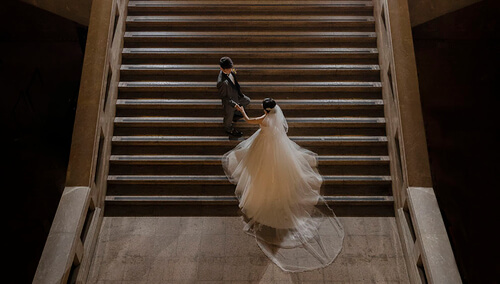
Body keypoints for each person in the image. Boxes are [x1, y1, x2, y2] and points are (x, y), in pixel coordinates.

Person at [222, 98, 344, 272]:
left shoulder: (264, 119)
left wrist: (241, 110)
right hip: (277, 146)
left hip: (264, 147)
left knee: (260, 170)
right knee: (279, 171)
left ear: (265, 109)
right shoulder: (275, 117)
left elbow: (249, 120)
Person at [217, 56, 251, 137]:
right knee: (228, 116)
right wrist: (234, 104)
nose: (230, 70)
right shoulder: (221, 82)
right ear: (222, 69)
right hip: (229, 101)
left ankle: (236, 114)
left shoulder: (230, 71)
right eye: (228, 69)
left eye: (231, 68)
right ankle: (229, 129)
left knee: (247, 100)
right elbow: (224, 97)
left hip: (236, 95)